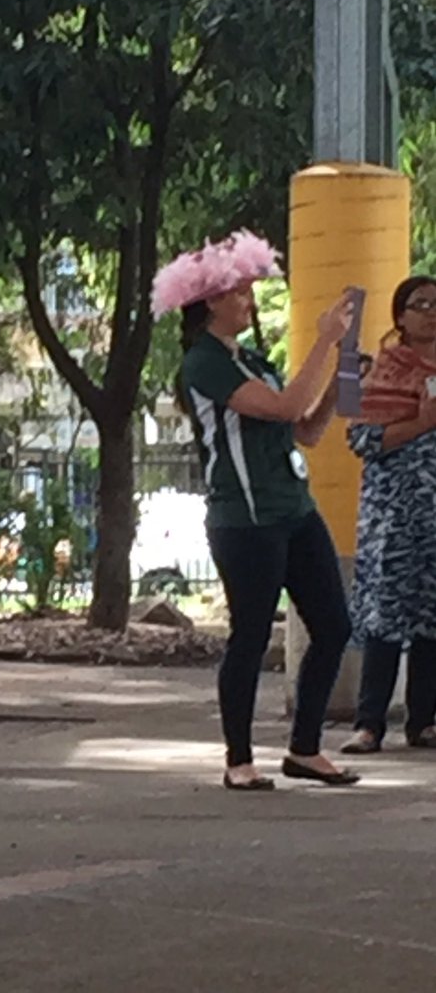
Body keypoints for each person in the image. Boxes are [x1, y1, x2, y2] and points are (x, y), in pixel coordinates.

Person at [153, 230, 359, 791]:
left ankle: (304, 749)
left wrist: (342, 380)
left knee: (335, 626)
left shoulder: (254, 360)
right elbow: (286, 404)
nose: (249, 302)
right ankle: (238, 759)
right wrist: (321, 343)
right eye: (240, 294)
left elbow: (304, 429)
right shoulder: (203, 364)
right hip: (245, 520)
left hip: (293, 509)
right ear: (212, 301)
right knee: (248, 635)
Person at [341, 276, 436, 754]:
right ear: (400, 317)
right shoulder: (382, 371)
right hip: (394, 517)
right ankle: (369, 723)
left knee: (432, 621)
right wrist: (421, 422)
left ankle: (424, 722)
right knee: (386, 620)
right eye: (421, 305)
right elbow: (361, 440)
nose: (431, 313)